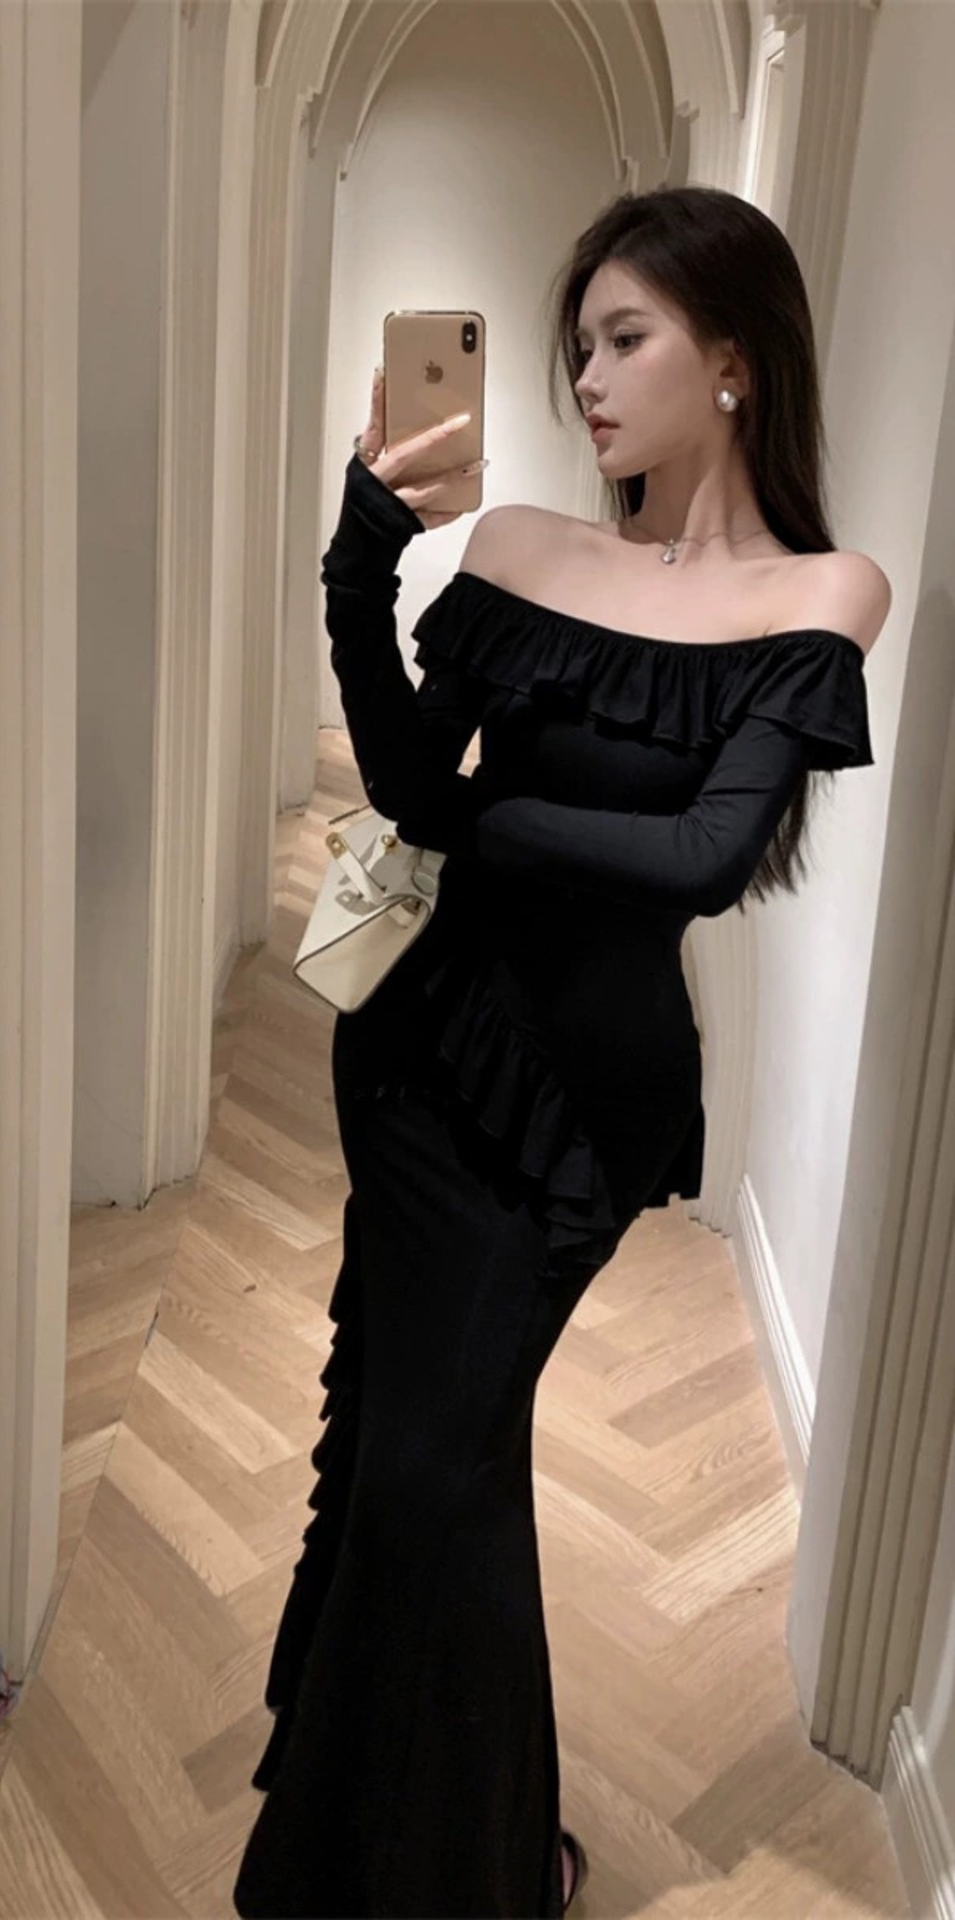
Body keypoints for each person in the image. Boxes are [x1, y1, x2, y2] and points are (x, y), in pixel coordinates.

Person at [231, 185, 887, 1919]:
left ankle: (452, 1858)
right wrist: (362, 559)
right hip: (419, 1057)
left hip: (579, 1109)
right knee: (414, 1448)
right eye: (574, 345)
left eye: (622, 339)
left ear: (733, 360)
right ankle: (445, 1853)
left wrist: (497, 826)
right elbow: (405, 783)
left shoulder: (823, 593)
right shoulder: (523, 546)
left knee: (439, 1465)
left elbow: (704, 859)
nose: (583, 379)